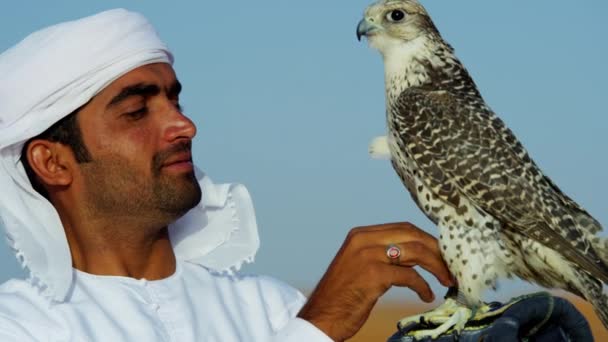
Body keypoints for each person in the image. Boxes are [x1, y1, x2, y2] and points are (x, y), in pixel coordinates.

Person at [0, 9, 454, 342]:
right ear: (52, 162)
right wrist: (318, 328)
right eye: (138, 112)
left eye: (175, 102)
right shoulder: (22, 325)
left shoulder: (272, 308)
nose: (184, 126)